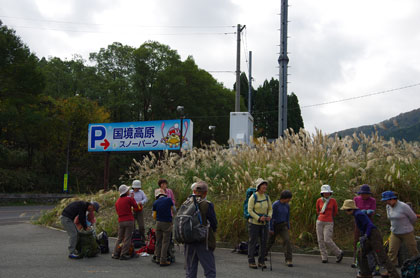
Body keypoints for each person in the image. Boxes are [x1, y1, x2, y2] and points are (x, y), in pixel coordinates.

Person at [341, 199, 400, 278]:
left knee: (381, 255)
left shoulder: (359, 214)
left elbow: (369, 225)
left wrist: (365, 235)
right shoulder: (357, 214)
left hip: (373, 235)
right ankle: (366, 273)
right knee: (361, 253)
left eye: (346, 210)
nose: (346, 212)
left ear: (350, 209)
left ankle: (394, 274)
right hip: (368, 235)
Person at [184, 181, 218, 278]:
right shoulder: (207, 204)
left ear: (194, 191)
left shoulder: (186, 202)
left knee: (190, 271)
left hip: (188, 240)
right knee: (209, 271)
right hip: (203, 240)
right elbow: (214, 222)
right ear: (206, 193)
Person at [381, 190, 419, 266]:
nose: (387, 202)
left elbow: (413, 217)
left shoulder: (404, 206)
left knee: (413, 250)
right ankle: (391, 271)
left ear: (393, 199)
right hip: (395, 232)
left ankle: (417, 267)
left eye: (388, 200)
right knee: (391, 251)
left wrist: (407, 225)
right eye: (385, 201)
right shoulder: (388, 206)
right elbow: (390, 217)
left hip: (407, 232)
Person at [247, 178, 272, 269]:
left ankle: (261, 261)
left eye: (265, 185)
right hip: (254, 223)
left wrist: (269, 216)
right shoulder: (253, 197)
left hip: (264, 223)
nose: (265, 186)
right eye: (263, 185)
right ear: (258, 187)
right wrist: (258, 218)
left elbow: (270, 208)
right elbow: (249, 210)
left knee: (264, 242)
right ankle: (251, 261)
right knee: (253, 242)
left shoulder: (266, 197)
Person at [315, 184, 344, 263]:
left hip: (329, 222)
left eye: (327, 192)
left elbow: (335, 211)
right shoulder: (319, 200)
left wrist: (329, 216)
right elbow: (318, 210)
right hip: (320, 221)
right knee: (320, 240)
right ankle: (324, 256)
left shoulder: (333, 201)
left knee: (327, 239)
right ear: (322, 193)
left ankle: (338, 252)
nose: (326, 194)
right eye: (325, 192)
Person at [266, 190, 293, 267]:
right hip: (275, 225)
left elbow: (287, 216)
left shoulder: (287, 205)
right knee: (270, 241)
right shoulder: (275, 205)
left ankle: (288, 259)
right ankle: (263, 254)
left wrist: (288, 226)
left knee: (287, 240)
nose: (289, 200)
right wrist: (270, 228)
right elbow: (271, 217)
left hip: (283, 225)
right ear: (284, 197)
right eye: (289, 198)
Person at [351, 184, 376, 268]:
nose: (364, 195)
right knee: (356, 240)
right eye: (362, 194)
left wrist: (369, 211)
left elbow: (373, 210)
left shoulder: (372, 200)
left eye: (365, 194)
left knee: (369, 240)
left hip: (368, 222)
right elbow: (353, 209)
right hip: (358, 221)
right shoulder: (356, 199)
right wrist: (361, 211)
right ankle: (356, 259)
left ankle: (371, 261)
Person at [112, 184, 138, 260]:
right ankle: (123, 254)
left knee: (119, 238)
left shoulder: (117, 201)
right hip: (129, 220)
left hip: (121, 220)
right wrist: (133, 198)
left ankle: (116, 253)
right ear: (126, 191)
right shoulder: (129, 199)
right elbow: (135, 207)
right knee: (127, 238)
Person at [152, 188, 175, 266]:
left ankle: (157, 258)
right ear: (164, 194)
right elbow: (174, 209)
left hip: (158, 223)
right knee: (165, 242)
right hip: (167, 222)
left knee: (158, 241)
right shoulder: (168, 200)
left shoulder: (155, 202)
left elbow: (153, 215)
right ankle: (163, 260)